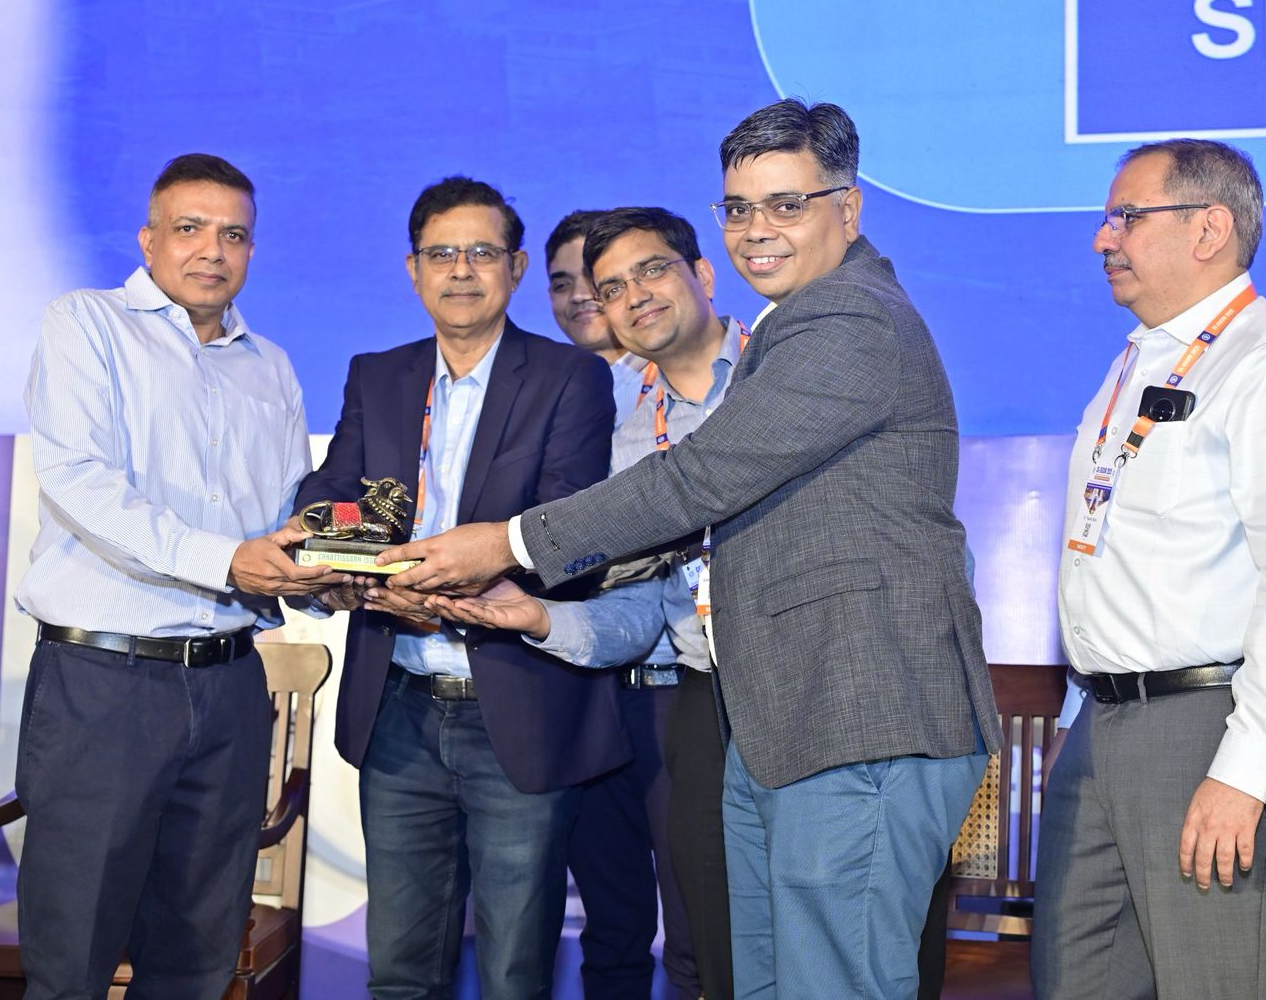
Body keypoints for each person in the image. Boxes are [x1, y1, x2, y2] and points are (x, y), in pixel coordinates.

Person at [380, 99, 1001, 1000]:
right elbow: (685, 547)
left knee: (833, 982)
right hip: (780, 716)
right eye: (739, 207)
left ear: (849, 208)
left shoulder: (848, 321)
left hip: (858, 711)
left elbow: (697, 484)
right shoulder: (789, 333)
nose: (759, 231)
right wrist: (537, 605)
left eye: (786, 204)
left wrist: (508, 541)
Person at [1033, 139, 1266, 1000]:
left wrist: (1241, 771)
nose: (1104, 240)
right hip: (1105, 726)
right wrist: (1085, 707)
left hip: (1211, 727)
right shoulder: (1136, 360)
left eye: (1127, 217)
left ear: (1210, 227)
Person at [292, 176, 629, 999]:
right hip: (399, 702)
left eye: (483, 253)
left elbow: (565, 530)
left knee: (515, 970)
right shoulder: (380, 377)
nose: (462, 270)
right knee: (402, 969)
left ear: (515, 268)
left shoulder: (567, 379)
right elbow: (332, 498)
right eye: (442, 253)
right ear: (413, 270)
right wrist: (354, 568)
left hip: (514, 700)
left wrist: (437, 587)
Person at [14, 154, 342, 999]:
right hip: (104, 686)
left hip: (234, 688)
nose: (212, 250)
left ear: (252, 250)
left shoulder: (270, 364)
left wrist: (327, 564)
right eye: (189, 228)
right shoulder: (86, 324)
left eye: (234, 233)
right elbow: (85, 484)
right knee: (72, 955)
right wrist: (229, 559)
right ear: (149, 240)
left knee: (198, 958)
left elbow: (278, 516)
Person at [461, 206, 738, 1000]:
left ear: (699, 275)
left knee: (728, 929)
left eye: (635, 276)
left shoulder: (772, 372)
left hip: (742, 691)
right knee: (634, 922)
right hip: (621, 681)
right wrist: (533, 610)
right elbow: (616, 575)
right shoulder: (599, 410)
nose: (603, 298)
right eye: (584, 286)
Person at [546, 208, 648, 429]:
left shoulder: (672, 379)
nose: (578, 296)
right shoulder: (545, 399)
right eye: (562, 285)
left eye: (593, 278)